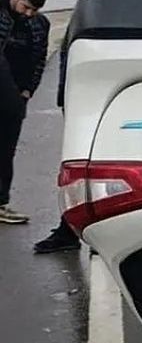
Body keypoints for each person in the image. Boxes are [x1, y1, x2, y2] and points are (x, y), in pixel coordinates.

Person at [0, 0, 50, 224]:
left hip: (17, 98)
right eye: (26, 7)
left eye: (34, 10)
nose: (29, 14)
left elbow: (40, 58)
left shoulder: (40, 25)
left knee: (5, 152)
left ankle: (1, 203)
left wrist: (29, 89)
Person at [33, 29, 81, 253]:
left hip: (86, 94)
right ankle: (69, 226)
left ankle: (70, 228)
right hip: (78, 94)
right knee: (78, 163)